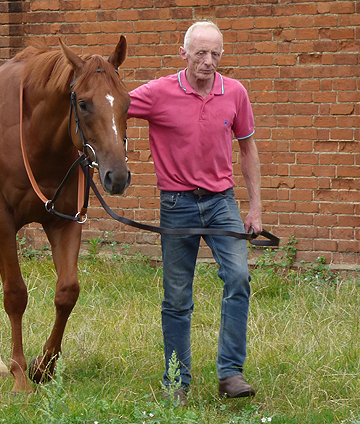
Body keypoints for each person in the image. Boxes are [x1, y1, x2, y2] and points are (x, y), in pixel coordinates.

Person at [127, 21, 262, 406]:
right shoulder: (157, 92)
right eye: (201, 53)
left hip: (221, 203)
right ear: (182, 52)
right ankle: (176, 381)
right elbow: (111, 108)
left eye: (215, 54)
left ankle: (230, 374)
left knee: (238, 277)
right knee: (177, 297)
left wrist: (255, 208)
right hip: (177, 204)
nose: (208, 61)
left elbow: (248, 150)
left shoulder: (234, 92)